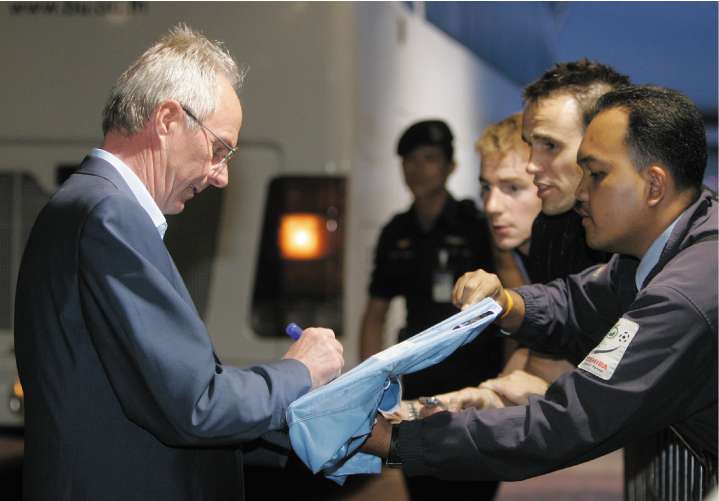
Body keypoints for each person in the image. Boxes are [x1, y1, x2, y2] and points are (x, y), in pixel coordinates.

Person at [14, 24, 344, 501]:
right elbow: (194, 404)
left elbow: (146, 401)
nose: (221, 176)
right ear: (168, 119)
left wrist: (324, 432)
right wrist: (300, 370)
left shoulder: (81, 206)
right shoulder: (110, 215)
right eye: (219, 150)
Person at [362, 85, 717, 486]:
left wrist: (395, 440)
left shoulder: (684, 294)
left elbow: (572, 421)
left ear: (654, 186)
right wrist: (506, 302)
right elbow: (574, 302)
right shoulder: (660, 250)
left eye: (596, 175)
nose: (580, 193)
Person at [418, 61, 631, 413]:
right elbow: (551, 351)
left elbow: (626, 362)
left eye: (550, 146)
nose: (534, 165)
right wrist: (487, 395)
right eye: (533, 146)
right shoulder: (552, 230)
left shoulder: (673, 244)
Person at [358, 119, 503, 499]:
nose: (417, 169)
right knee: (422, 488)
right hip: (419, 383)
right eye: (409, 160)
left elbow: (509, 300)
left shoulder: (478, 225)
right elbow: (375, 313)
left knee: (473, 489)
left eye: (429, 159)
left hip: (475, 381)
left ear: (451, 167)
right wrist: (370, 387)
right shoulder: (397, 232)